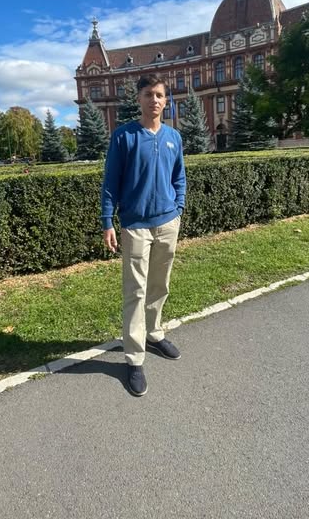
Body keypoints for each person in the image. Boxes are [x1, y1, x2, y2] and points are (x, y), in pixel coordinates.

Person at [101, 73, 186, 396]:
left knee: (159, 284)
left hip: (167, 223)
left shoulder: (173, 137)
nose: (154, 100)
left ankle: (154, 333)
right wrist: (107, 221)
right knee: (135, 291)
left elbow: (179, 176)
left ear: (166, 101)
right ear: (139, 98)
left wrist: (178, 207)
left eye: (159, 95)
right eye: (149, 94)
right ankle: (134, 358)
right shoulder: (124, 136)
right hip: (135, 225)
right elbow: (111, 181)